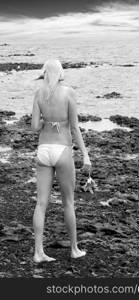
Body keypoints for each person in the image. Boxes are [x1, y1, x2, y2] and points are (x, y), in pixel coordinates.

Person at [31, 59, 91, 263]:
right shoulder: (68, 92)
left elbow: (34, 127)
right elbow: (74, 128)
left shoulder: (38, 94)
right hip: (63, 150)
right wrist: (85, 155)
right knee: (68, 203)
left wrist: (46, 121)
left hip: (43, 150)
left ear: (44, 74)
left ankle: (38, 252)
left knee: (41, 204)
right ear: (61, 73)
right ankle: (74, 249)